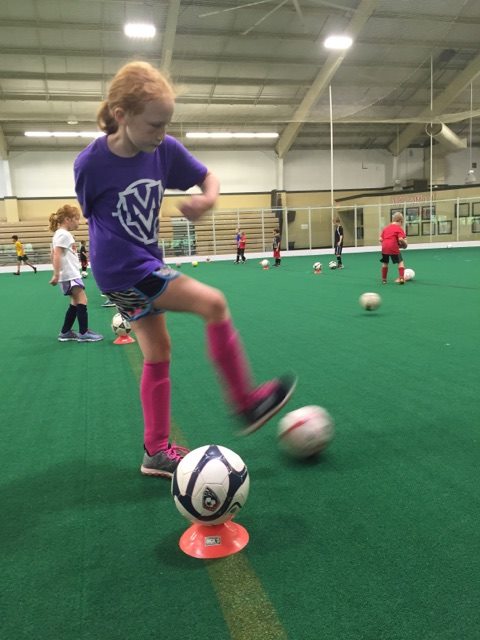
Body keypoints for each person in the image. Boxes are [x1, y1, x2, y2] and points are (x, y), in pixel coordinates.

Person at [74, 61, 296, 479]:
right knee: (214, 304)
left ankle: (155, 452)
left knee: (158, 353)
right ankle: (246, 402)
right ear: (121, 116)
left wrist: (208, 200)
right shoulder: (91, 164)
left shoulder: (164, 150)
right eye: (154, 124)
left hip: (144, 263)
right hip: (123, 268)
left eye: (167, 124)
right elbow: (92, 213)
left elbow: (208, 177)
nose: (161, 134)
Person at [49, 204, 104, 342]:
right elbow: (56, 254)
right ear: (68, 219)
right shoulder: (64, 235)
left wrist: (58, 273)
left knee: (74, 302)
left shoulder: (59, 234)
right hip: (70, 275)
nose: (78, 222)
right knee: (82, 300)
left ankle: (65, 332)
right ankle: (83, 333)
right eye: (77, 219)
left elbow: (53, 254)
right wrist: (56, 274)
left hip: (68, 275)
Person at [379, 212, 407, 284]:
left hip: (384, 247)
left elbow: (380, 239)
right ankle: (401, 278)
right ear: (401, 221)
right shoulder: (399, 228)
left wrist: (385, 244)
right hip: (393, 247)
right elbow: (400, 239)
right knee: (400, 262)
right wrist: (404, 244)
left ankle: (384, 280)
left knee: (385, 263)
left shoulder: (386, 228)